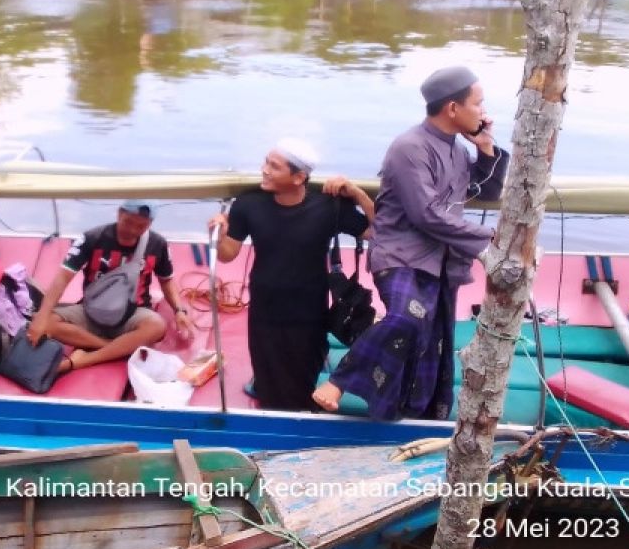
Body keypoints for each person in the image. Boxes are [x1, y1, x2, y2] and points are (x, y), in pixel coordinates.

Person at [313, 67, 509, 420]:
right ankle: (340, 380)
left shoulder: (459, 151)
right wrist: (489, 238)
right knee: (406, 319)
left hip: (443, 260)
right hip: (401, 254)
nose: (483, 111)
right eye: (478, 104)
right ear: (453, 108)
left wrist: (485, 147)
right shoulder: (410, 148)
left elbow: (487, 191)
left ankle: (410, 416)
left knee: (431, 346)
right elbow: (426, 215)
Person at [208, 139, 373, 412]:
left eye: (274, 166)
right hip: (264, 309)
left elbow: (377, 231)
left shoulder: (328, 206)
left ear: (299, 177)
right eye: (265, 162)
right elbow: (227, 254)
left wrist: (357, 193)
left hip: (309, 312)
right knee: (269, 383)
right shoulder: (248, 204)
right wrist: (219, 233)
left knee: (303, 384)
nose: (264, 170)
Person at [27, 201, 193, 372]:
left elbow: (166, 280)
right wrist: (41, 317)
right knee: (45, 322)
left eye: (141, 226)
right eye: (128, 222)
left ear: (150, 224)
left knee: (157, 326)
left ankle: (83, 360)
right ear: (119, 214)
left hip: (132, 314)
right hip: (91, 311)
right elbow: (62, 278)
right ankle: (115, 347)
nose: (132, 230)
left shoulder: (158, 244)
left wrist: (179, 310)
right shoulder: (92, 238)